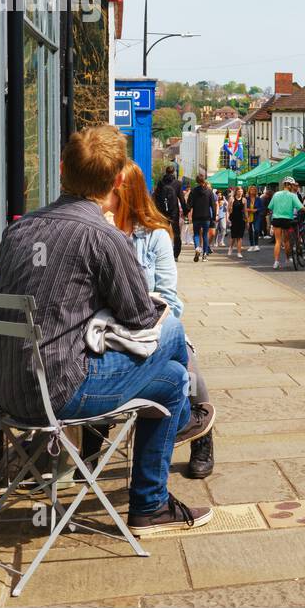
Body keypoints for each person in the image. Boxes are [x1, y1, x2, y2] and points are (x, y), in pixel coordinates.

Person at [0, 125, 213, 535]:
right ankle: (176, 438)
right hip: (60, 392)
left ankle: (153, 501)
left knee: (173, 378)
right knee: (175, 333)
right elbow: (142, 320)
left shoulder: (18, 230)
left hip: (7, 391)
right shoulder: (101, 236)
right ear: (115, 182)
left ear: (61, 170)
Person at [111, 161, 216, 480]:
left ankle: (202, 434)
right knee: (175, 360)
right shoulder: (98, 233)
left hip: (150, 325)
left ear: (123, 193)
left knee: (180, 348)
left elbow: (169, 298)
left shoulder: (154, 235)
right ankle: (92, 448)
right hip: (110, 330)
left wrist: (145, 321)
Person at [268, 176, 302, 269]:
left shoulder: (276, 194)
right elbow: (300, 207)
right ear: (290, 185)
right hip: (287, 219)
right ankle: (287, 258)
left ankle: (276, 262)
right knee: (286, 241)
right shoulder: (292, 195)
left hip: (276, 219)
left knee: (278, 241)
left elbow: (270, 207)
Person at [152, 166, 184, 261]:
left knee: (162, 232)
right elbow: (181, 198)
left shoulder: (161, 183)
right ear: (173, 172)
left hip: (162, 212)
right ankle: (176, 254)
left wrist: (156, 210)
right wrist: (186, 210)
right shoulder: (178, 183)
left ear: (165, 172)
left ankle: (162, 253)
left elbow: (156, 197)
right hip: (174, 211)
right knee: (176, 233)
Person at [186, 174, 216, 262]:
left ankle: (197, 249)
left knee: (196, 234)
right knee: (205, 235)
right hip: (206, 216)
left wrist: (185, 212)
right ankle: (205, 255)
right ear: (204, 180)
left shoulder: (193, 191)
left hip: (196, 216)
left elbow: (189, 205)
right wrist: (213, 216)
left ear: (197, 181)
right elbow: (213, 205)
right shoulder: (209, 192)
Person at [228, 188, 246, 258]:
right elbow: (228, 209)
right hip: (233, 219)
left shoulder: (244, 200)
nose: (240, 192)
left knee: (240, 237)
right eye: (239, 191)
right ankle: (230, 247)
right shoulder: (232, 199)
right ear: (236, 192)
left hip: (241, 219)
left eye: (241, 191)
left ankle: (239, 252)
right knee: (233, 237)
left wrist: (247, 220)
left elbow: (245, 210)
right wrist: (228, 219)